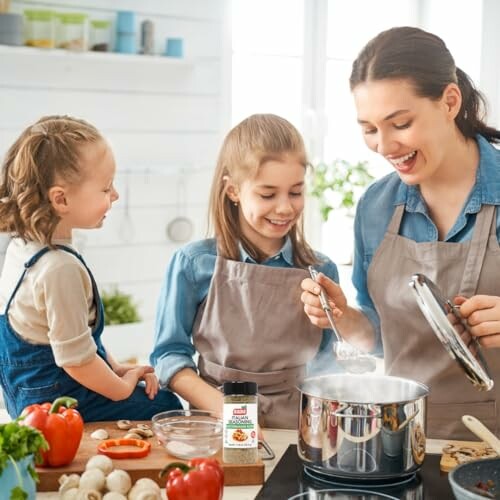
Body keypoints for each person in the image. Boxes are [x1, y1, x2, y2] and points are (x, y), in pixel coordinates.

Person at [301, 26, 500, 440]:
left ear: (449, 101)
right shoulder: (376, 207)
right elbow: (377, 336)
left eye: (401, 123)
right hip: (402, 439)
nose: (385, 146)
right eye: (370, 128)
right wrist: (345, 319)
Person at [151, 114, 339, 428]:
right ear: (233, 191)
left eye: (295, 192)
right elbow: (168, 355)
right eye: (267, 194)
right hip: (214, 419)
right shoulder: (193, 263)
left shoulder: (320, 270)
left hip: (298, 423)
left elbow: (329, 362)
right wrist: (228, 411)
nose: (285, 208)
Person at [0, 115, 182, 420]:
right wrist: (122, 387)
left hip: (26, 399)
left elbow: (75, 338)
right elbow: (76, 361)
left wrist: (116, 368)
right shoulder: (59, 268)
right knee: (166, 405)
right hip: (59, 404)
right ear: (61, 199)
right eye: (106, 188)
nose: (115, 195)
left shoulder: (22, 248)